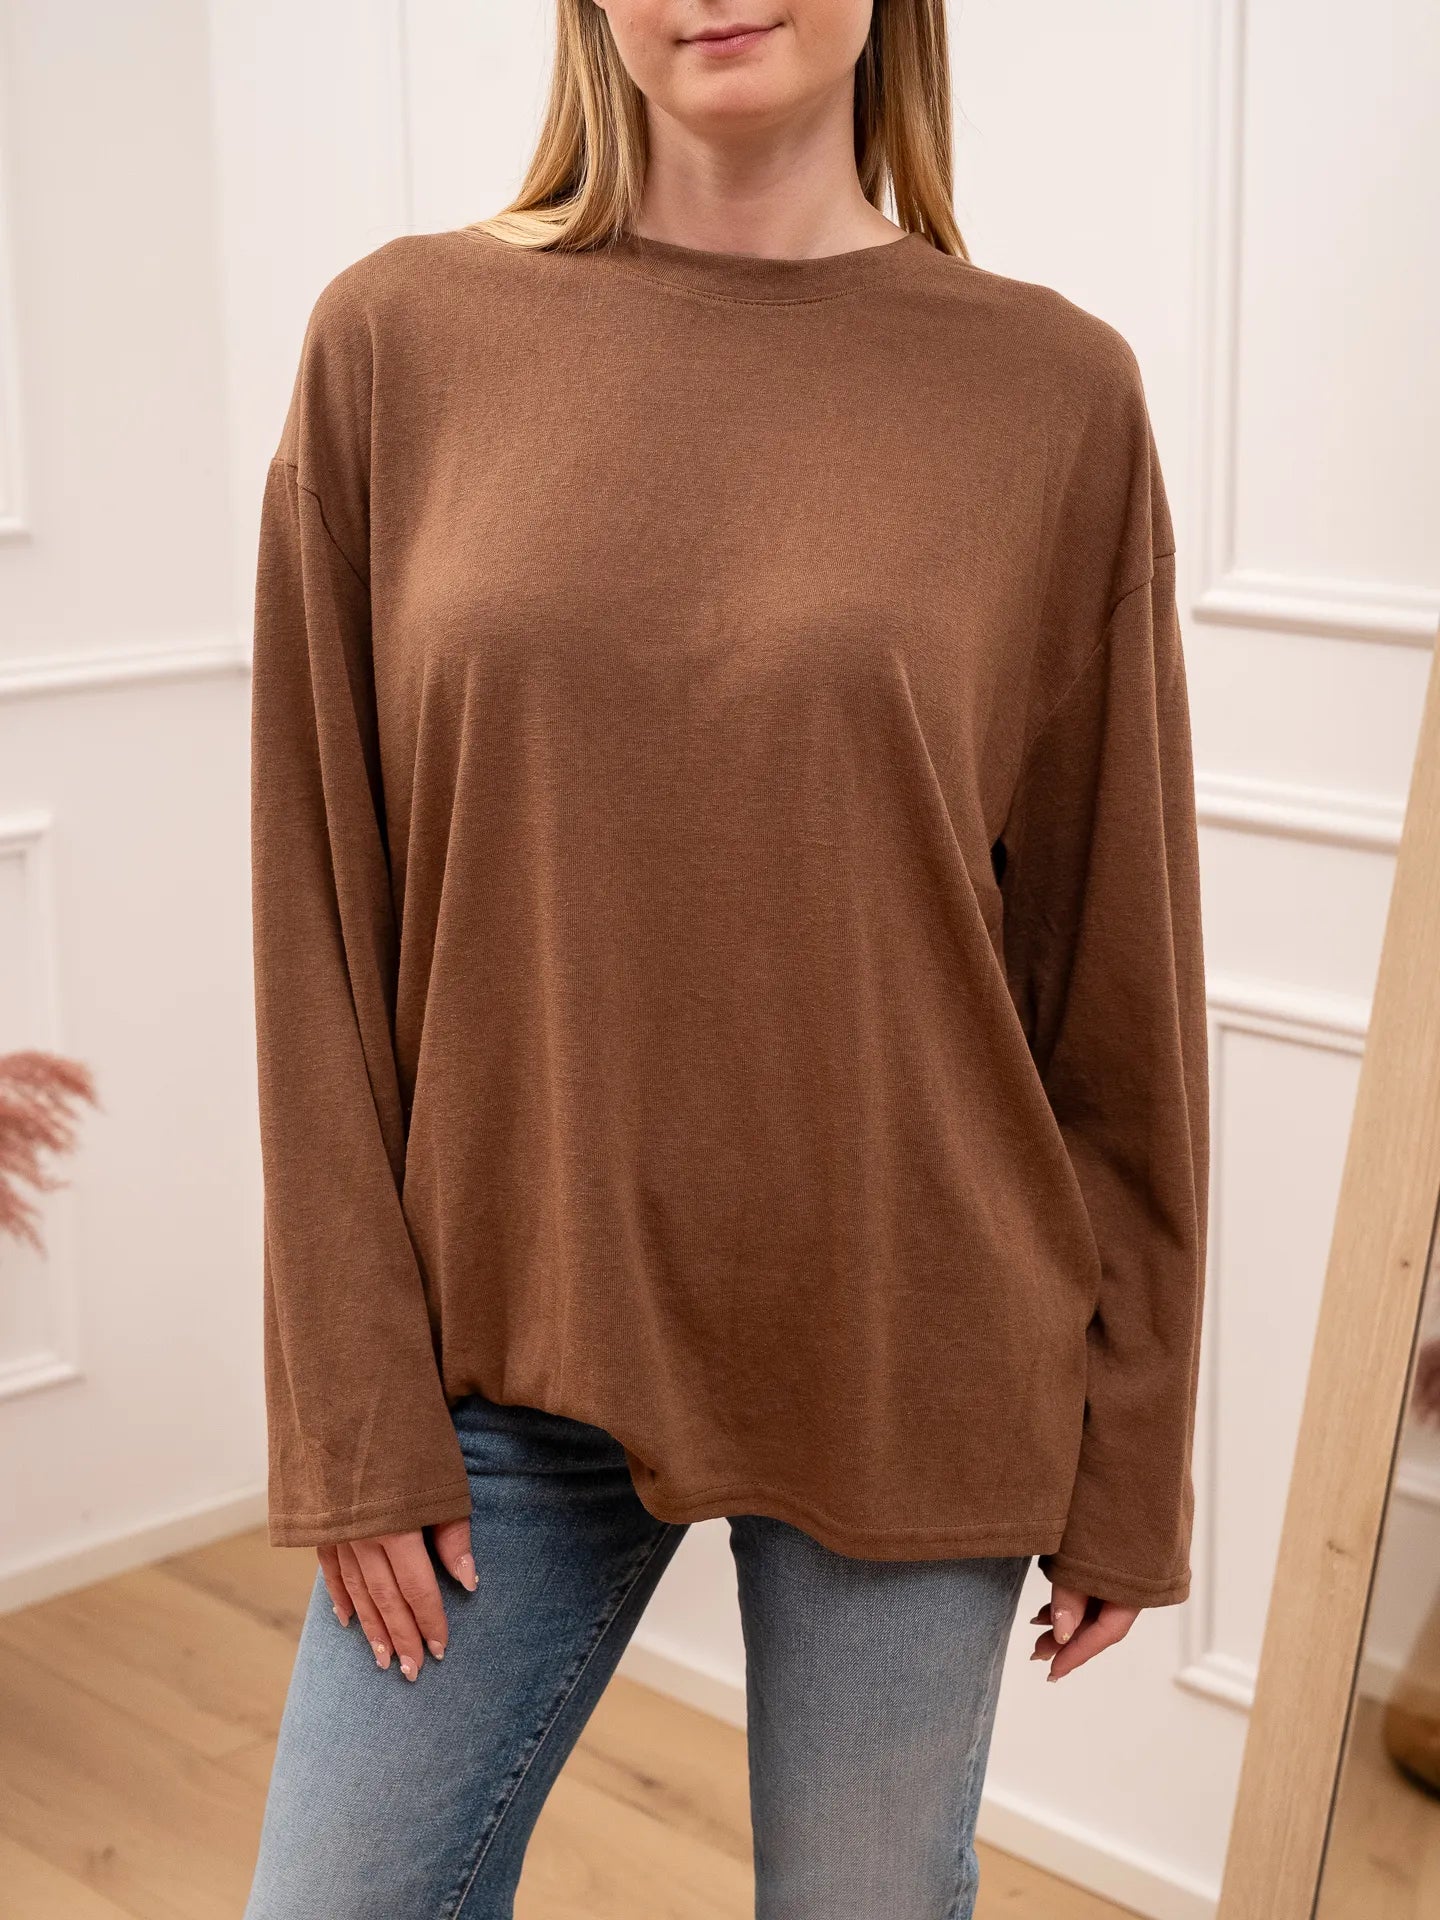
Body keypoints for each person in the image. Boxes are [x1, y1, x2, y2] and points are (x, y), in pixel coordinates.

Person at [242, 3, 1209, 1915]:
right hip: (504, 1332)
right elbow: (316, 913)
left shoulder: (1053, 394)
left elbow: (1113, 966)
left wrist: (1133, 1445)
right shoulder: (396, 343)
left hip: (913, 1334)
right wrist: (350, 1405)